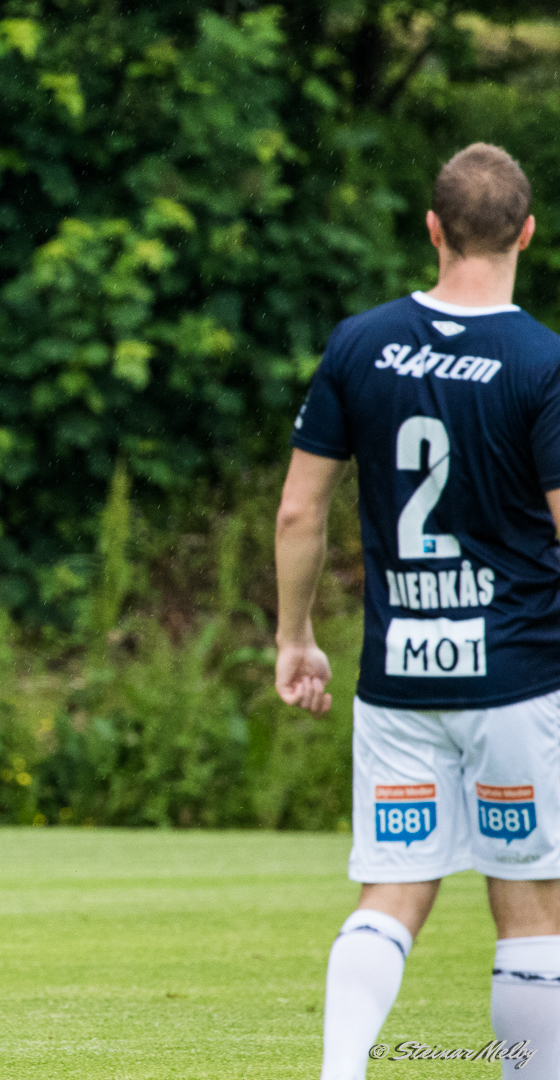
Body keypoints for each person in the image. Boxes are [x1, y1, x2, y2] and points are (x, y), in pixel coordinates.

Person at [276, 144, 560, 1080]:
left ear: (432, 229)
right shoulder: (542, 361)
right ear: (526, 232)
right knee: (531, 906)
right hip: (517, 675)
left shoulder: (360, 343)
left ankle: (340, 1072)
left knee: (391, 890)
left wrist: (296, 637)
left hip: (399, 677)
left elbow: (299, 510)